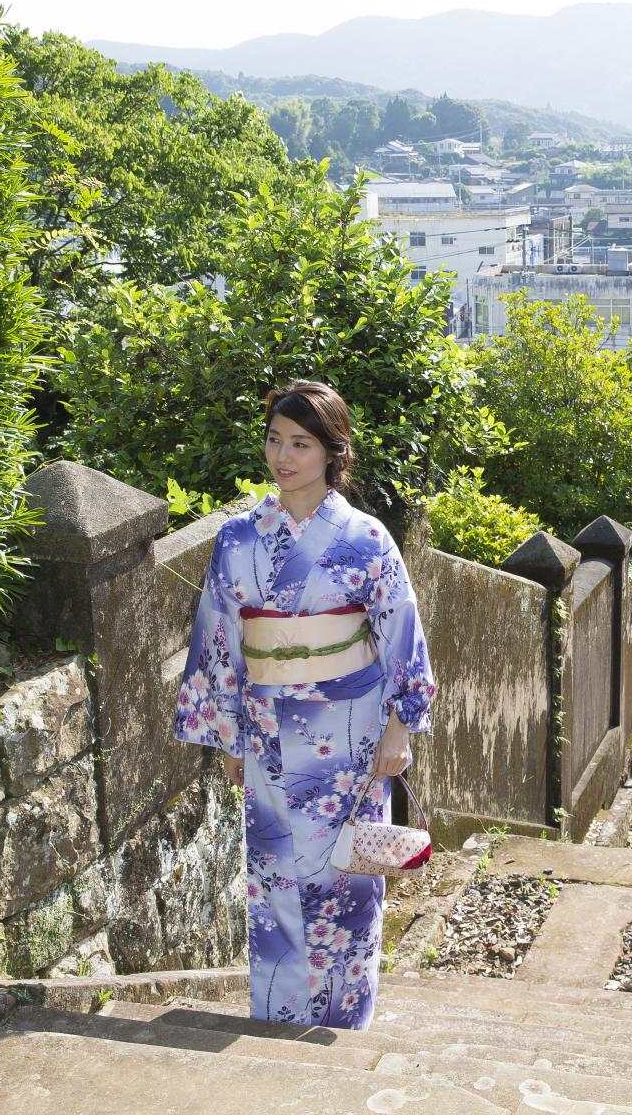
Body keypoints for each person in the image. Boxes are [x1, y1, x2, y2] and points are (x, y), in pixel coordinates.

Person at [172, 379, 434, 1030]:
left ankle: (345, 1030)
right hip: (264, 734)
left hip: (348, 738)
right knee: (274, 891)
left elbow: (400, 629)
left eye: (300, 443)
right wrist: (228, 737)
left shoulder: (366, 538)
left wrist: (400, 725)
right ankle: (277, 1026)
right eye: (273, 440)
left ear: (331, 452)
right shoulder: (238, 539)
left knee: (347, 887)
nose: (282, 456)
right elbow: (220, 641)